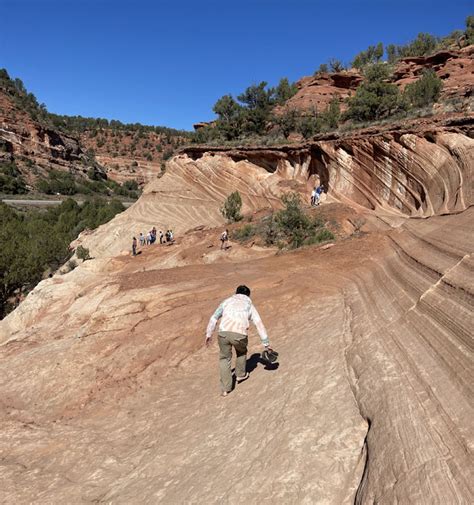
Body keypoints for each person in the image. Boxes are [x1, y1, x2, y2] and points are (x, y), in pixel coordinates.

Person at [205, 285, 271, 396]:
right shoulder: (249, 305)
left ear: (236, 292)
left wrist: (209, 333)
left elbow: (214, 317)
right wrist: (266, 344)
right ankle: (240, 374)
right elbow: (258, 323)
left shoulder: (226, 302)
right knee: (241, 352)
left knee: (224, 359)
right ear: (248, 295)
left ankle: (226, 389)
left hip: (223, 333)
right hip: (239, 334)